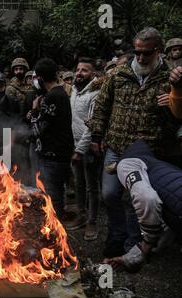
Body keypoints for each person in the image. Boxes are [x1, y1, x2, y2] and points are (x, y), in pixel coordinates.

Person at [88, 27, 182, 258]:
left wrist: (169, 107)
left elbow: (176, 124)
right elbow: (101, 107)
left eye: (146, 53)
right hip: (116, 147)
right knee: (109, 194)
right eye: (137, 52)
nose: (140, 58)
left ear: (158, 51)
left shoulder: (169, 79)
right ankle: (116, 235)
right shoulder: (118, 74)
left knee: (134, 198)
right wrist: (97, 137)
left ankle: (133, 241)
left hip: (146, 153)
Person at [108, 140, 182, 272]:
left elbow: (146, 198)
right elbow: (167, 230)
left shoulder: (126, 163)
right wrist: (134, 256)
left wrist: (148, 239)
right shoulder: (160, 167)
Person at [28, 58, 81, 229]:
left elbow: (38, 129)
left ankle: (56, 227)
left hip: (53, 154)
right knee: (57, 190)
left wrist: (35, 110)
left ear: (41, 78)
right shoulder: (61, 93)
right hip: (61, 152)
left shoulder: (53, 97)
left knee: (52, 193)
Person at [70, 58, 102, 239]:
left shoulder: (96, 93)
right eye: (78, 69)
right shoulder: (74, 90)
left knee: (92, 186)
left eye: (84, 70)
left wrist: (79, 150)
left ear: (93, 74)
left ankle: (92, 222)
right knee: (79, 183)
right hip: (74, 144)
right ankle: (81, 215)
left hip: (88, 147)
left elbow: (93, 125)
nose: (79, 73)